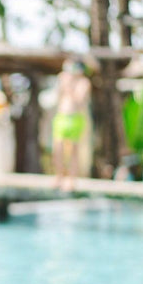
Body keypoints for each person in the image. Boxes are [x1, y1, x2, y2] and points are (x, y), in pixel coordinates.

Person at [52, 59, 91, 191]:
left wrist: (69, 85)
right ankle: (59, 177)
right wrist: (62, 83)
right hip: (61, 117)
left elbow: (79, 99)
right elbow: (57, 96)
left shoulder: (84, 82)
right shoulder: (63, 79)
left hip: (76, 119)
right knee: (58, 149)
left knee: (74, 150)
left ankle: (71, 180)